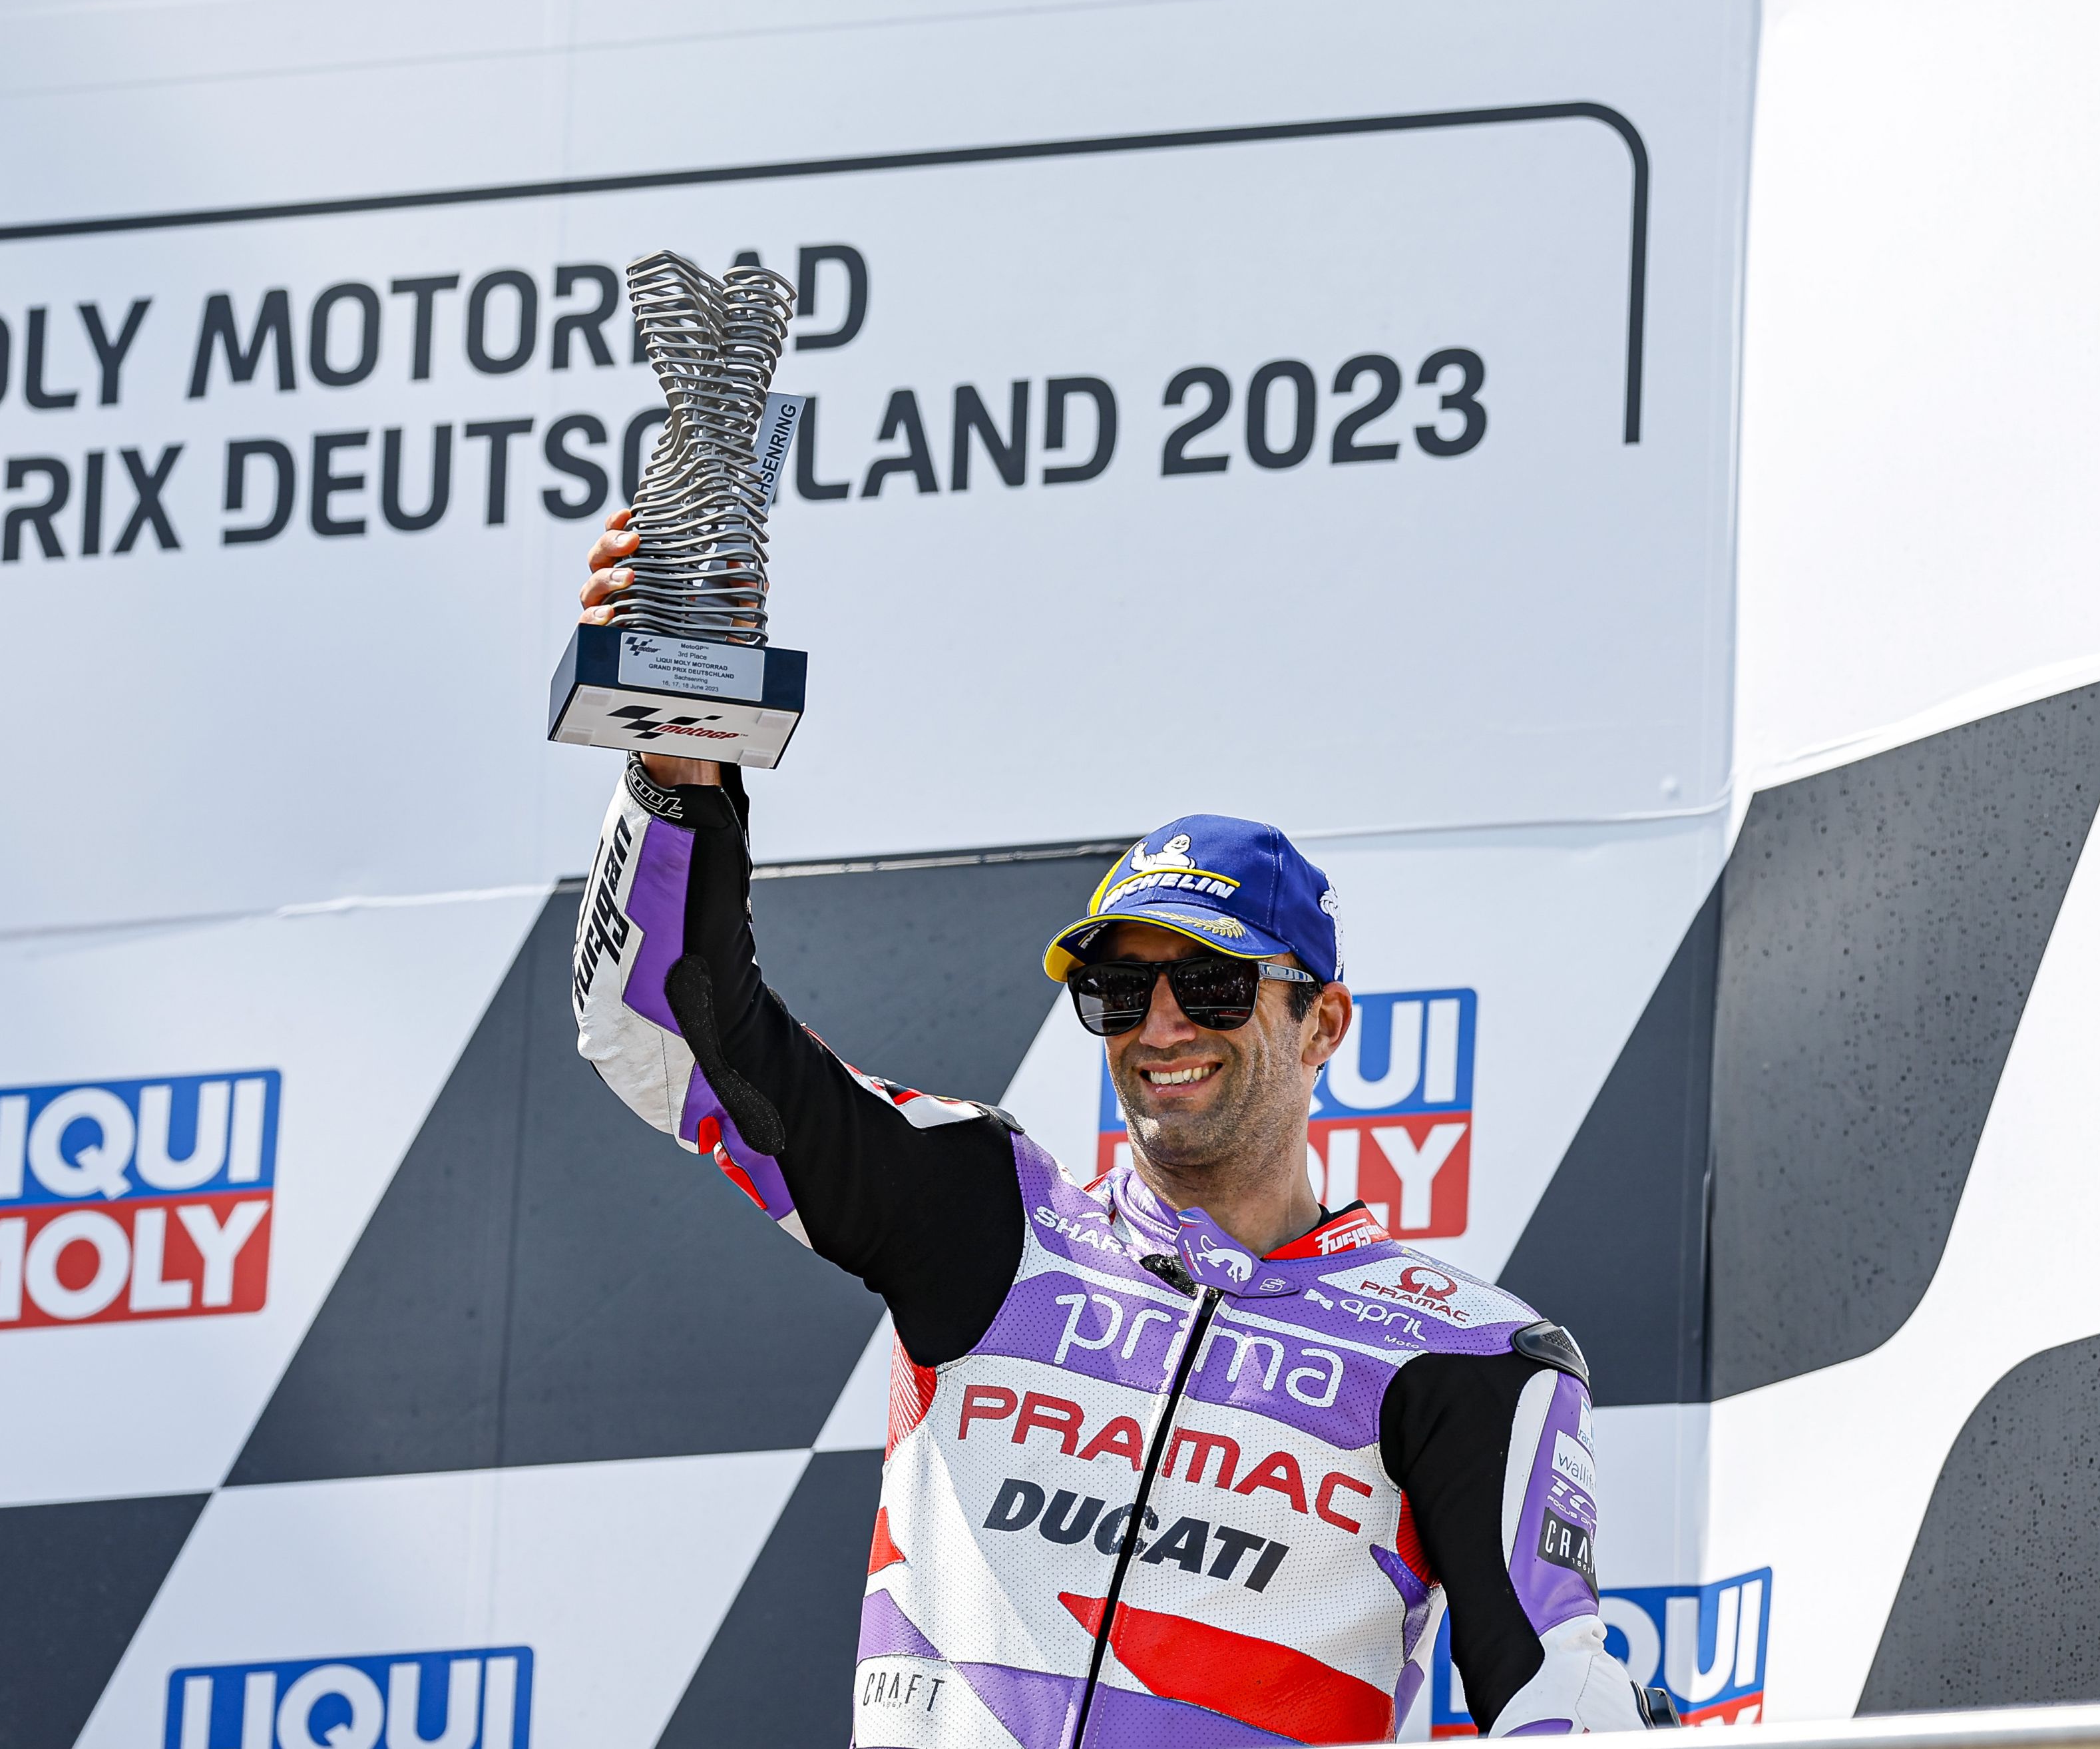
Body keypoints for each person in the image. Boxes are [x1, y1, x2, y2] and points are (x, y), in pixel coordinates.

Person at [568, 514, 1659, 1744]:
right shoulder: (985, 1221)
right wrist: (679, 753)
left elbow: (1557, 1703)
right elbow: (664, 1033)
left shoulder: (1466, 1359)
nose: (1160, 1026)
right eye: (1119, 990)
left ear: (1323, 1022)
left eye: (1215, 985)